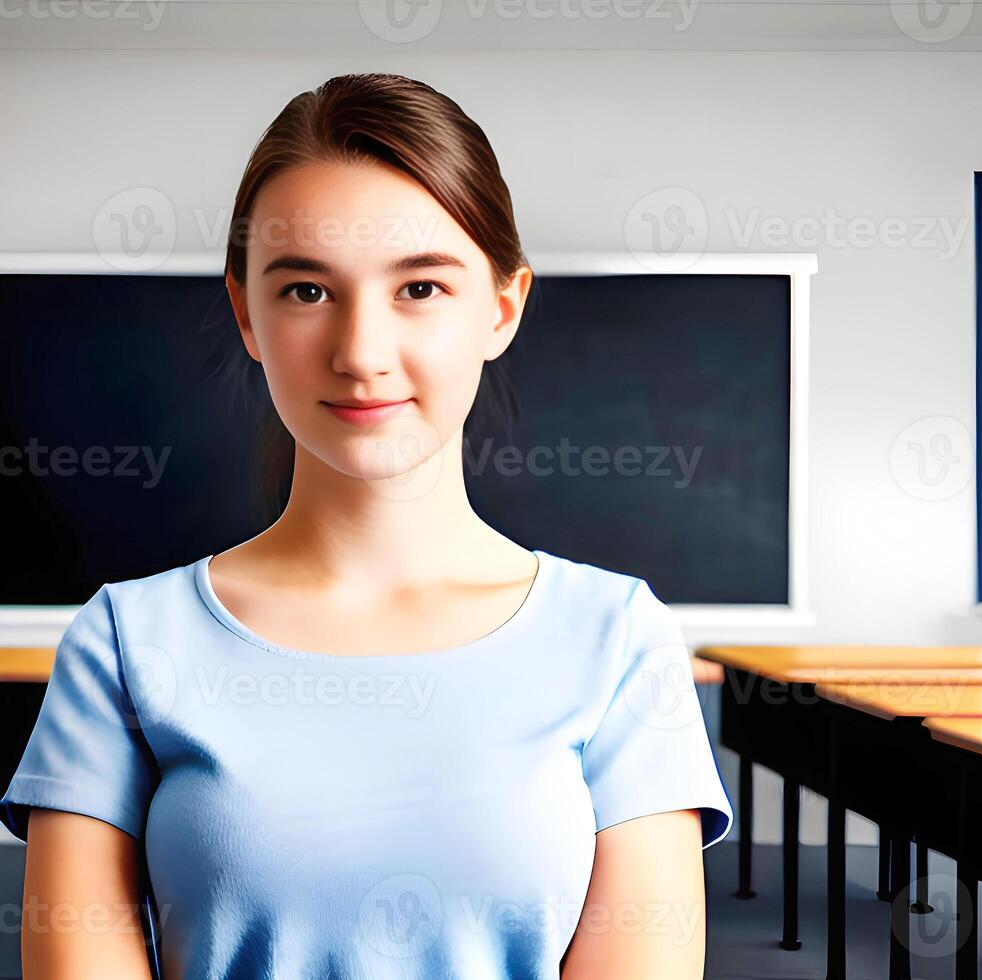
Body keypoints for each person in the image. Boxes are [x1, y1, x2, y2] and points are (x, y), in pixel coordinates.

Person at [1, 72, 732, 979]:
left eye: (420, 288)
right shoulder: (123, 642)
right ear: (247, 315)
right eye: (307, 291)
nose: (360, 354)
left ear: (501, 308)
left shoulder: (620, 642)